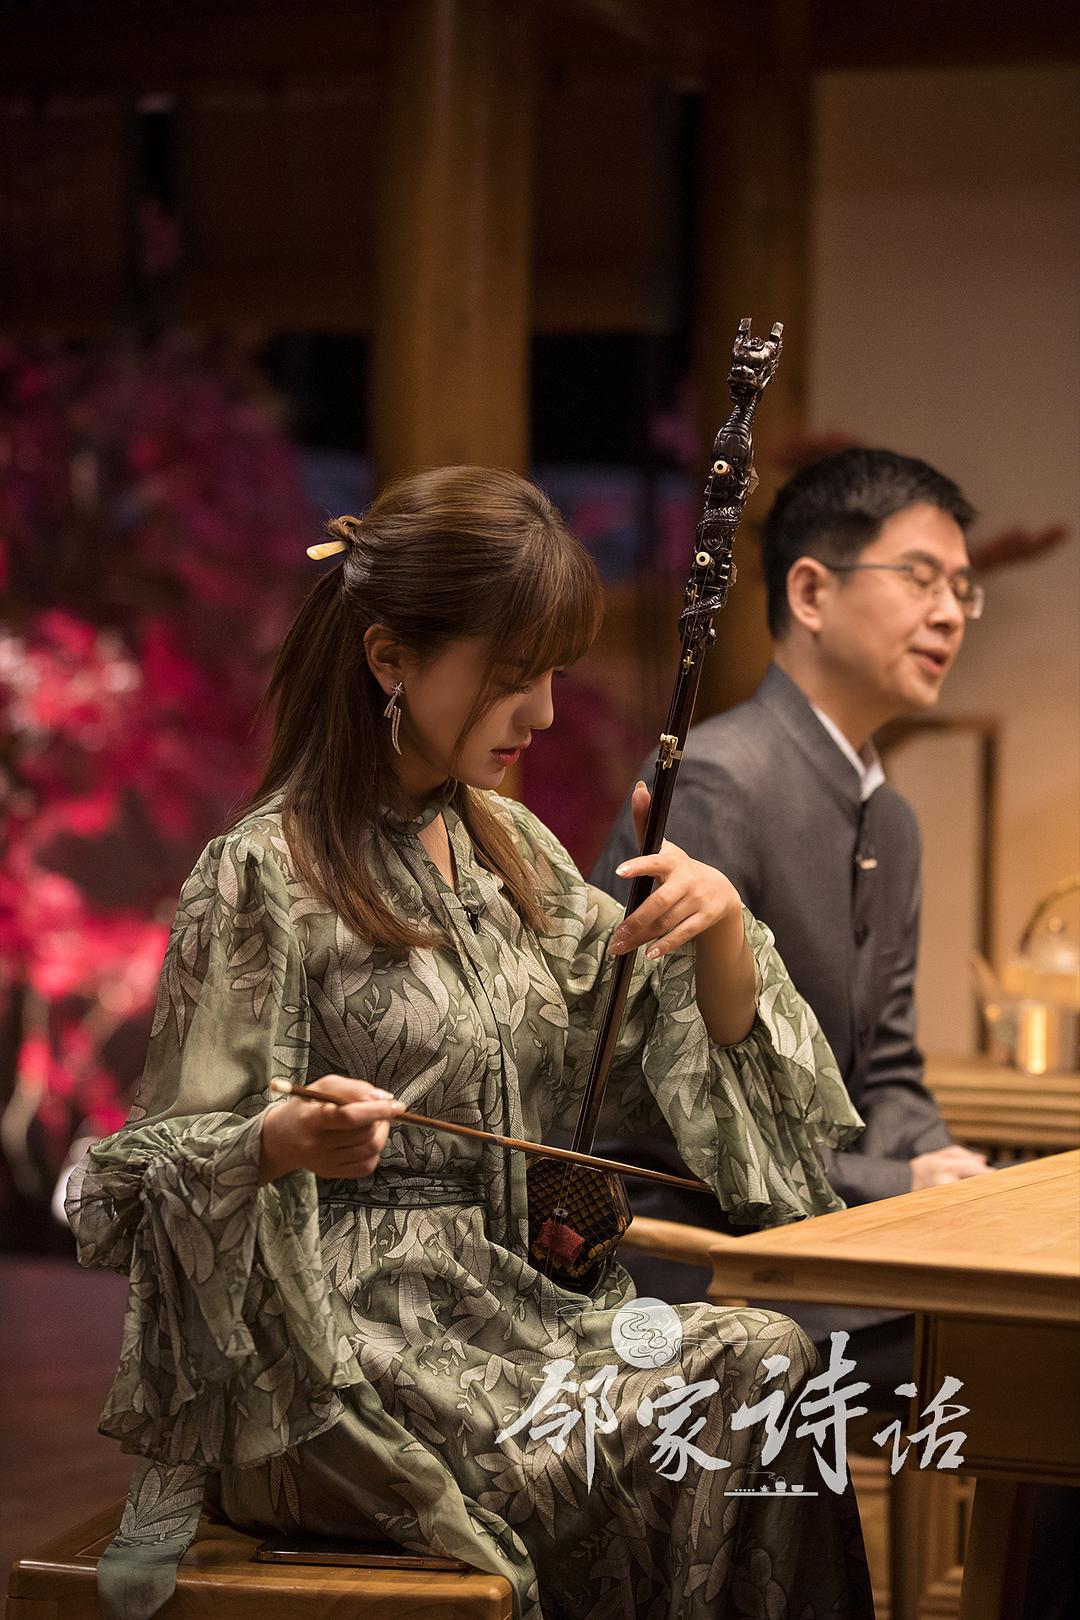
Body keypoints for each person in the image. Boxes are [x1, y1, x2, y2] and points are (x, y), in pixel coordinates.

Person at [68, 466, 874, 1620]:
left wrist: (719, 929)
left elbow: (640, 1033)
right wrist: (279, 1140)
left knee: (764, 1358)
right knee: (677, 1413)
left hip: (507, 1312)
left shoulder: (511, 851)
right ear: (389, 659)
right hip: (339, 1354)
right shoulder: (262, 873)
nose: (540, 714)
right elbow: (144, 1174)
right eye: (509, 677)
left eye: (552, 676)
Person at [590, 447, 992, 1373]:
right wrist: (900, 1180)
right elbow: (669, 1107)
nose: (949, 612)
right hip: (693, 1250)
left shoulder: (891, 817)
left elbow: (888, 1069)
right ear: (811, 592)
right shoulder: (719, 779)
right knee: (1007, 1349)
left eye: (962, 590)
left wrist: (955, 1179)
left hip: (826, 1227)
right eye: (921, 577)